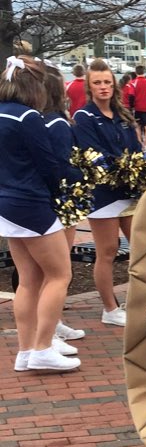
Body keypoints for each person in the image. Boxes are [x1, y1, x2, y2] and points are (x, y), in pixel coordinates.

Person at [0, 56, 79, 373]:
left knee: (29, 280)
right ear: (34, 87)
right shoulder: (27, 116)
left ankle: (26, 350)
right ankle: (44, 347)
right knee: (60, 275)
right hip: (31, 202)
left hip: (6, 203)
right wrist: (71, 177)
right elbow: (50, 165)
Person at [72, 59, 142, 326]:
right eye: (97, 83)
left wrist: (140, 167)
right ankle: (110, 309)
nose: (103, 88)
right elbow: (94, 154)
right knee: (108, 251)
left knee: (141, 246)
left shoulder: (122, 114)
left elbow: (135, 148)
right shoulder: (84, 116)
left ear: (115, 85)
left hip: (129, 191)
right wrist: (124, 165)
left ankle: (139, 298)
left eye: (107, 83)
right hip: (102, 194)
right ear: (89, 87)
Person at [40, 65, 88, 344]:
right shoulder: (56, 122)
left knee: (49, 271)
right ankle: (48, 329)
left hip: (51, 200)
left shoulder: (41, 119)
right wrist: (84, 172)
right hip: (62, 200)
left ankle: (54, 321)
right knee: (57, 270)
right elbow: (61, 164)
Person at [128, 64, 146, 151]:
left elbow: (131, 95)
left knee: (138, 126)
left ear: (136, 72)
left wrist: (132, 106)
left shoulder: (133, 82)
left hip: (138, 107)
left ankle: (140, 144)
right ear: (144, 72)